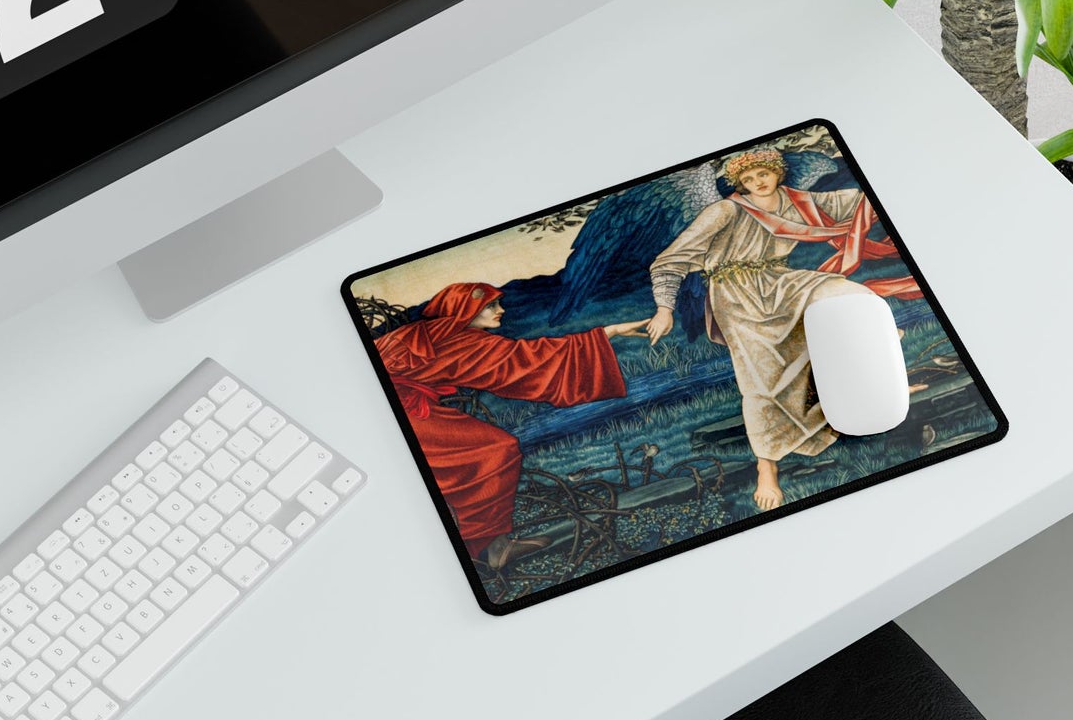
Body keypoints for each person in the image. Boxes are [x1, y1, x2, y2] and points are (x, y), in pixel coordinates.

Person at [644, 148, 921, 511]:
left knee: (848, 295)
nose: (757, 183)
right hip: (736, 296)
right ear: (739, 185)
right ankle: (766, 468)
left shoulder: (799, 203)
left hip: (780, 281)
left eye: (762, 174)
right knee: (761, 381)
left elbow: (855, 199)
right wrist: (665, 309)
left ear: (776, 172)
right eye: (748, 180)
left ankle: (881, 382)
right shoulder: (725, 211)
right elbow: (670, 260)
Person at [376, 282, 650, 569]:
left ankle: (475, 543)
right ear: (465, 309)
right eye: (491, 305)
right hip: (406, 415)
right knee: (496, 451)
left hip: (394, 410)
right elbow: (530, 359)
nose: (501, 310)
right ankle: (489, 548)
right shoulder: (467, 343)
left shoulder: (417, 334)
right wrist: (610, 332)